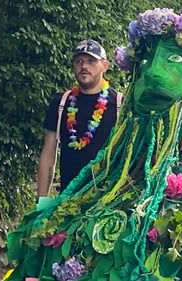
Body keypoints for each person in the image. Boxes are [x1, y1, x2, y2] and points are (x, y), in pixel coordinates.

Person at [36, 39, 122, 198]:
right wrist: (41, 203)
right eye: (79, 61)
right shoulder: (61, 103)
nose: (84, 66)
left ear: (105, 65)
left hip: (106, 203)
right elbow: (49, 152)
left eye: (91, 61)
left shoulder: (119, 104)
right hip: (67, 201)